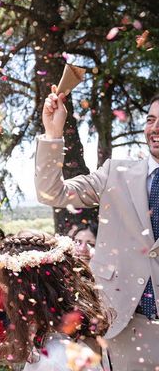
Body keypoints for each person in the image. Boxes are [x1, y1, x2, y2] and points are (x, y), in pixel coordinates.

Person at [35, 86, 159, 369]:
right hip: (125, 327)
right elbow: (51, 192)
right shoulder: (115, 172)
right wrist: (53, 134)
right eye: (150, 120)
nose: (155, 128)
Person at [0, 231, 109, 370]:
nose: (8, 302)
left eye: (7, 291)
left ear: (28, 294)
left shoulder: (59, 358)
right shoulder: (55, 345)